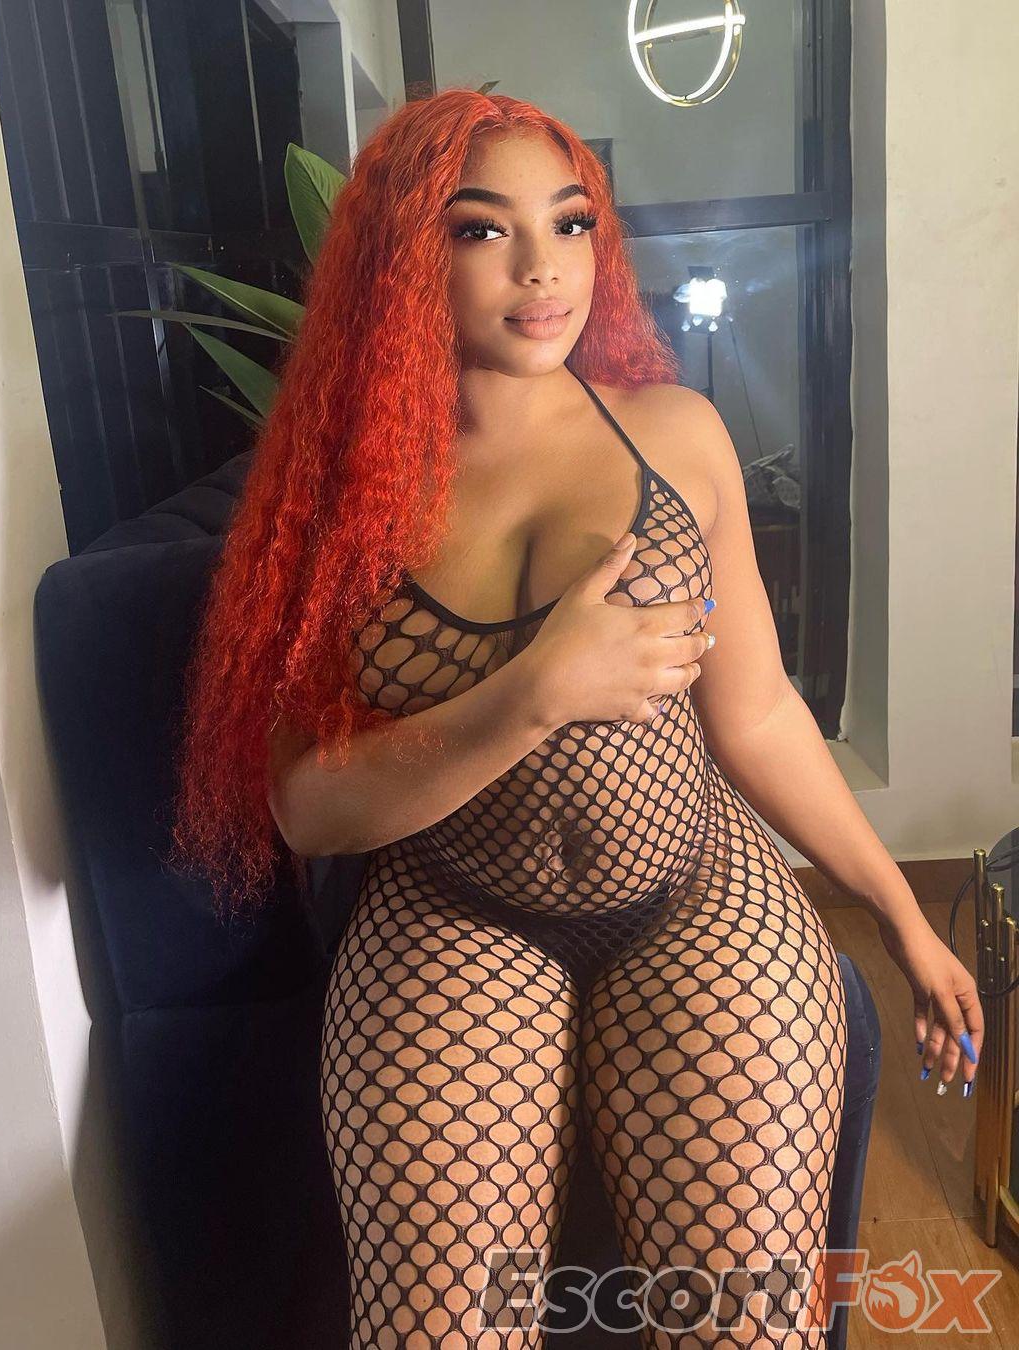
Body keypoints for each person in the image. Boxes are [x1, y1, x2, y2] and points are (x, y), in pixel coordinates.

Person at [167, 89, 984, 1348]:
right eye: (481, 230)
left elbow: (760, 713)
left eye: (569, 222)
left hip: (696, 890)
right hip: (453, 908)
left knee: (744, 1327)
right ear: (402, 260)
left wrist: (897, 912)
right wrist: (534, 694)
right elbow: (309, 808)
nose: (542, 266)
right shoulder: (340, 503)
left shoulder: (678, 435)